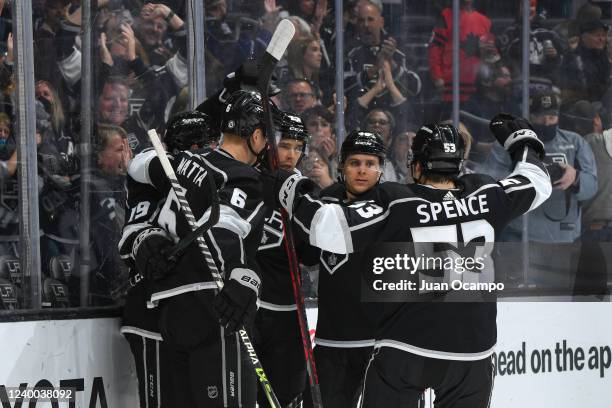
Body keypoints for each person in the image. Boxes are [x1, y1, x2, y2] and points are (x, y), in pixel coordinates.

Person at [274, 115, 552, 407]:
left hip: (407, 348)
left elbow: (326, 228)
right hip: (472, 353)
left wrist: (290, 183)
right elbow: (537, 180)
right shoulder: (488, 196)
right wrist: (523, 142)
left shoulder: (400, 202)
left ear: (417, 166)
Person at [126, 90, 277, 407]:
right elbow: (224, 226)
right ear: (257, 134)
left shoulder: (180, 164)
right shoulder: (241, 175)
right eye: (269, 137)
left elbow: (138, 167)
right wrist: (239, 276)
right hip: (214, 303)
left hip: (169, 307)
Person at [119, 110, 215, 408]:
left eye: (205, 146)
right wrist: (146, 242)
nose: (198, 154)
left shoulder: (222, 178)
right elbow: (132, 233)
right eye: (191, 147)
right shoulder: (151, 172)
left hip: (198, 312)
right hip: (151, 310)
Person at [301, 130, 386, 408]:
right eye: (354, 163)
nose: (362, 171)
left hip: (381, 345)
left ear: (381, 168)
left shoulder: (392, 204)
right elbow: (309, 255)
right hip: (331, 342)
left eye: (370, 163)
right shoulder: (326, 200)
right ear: (341, 166)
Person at [253, 111, 311, 408]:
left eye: (297, 147)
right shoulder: (245, 180)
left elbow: (312, 255)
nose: (291, 154)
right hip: (247, 307)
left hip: (287, 309)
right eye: (285, 145)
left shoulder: (300, 191)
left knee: (287, 393)